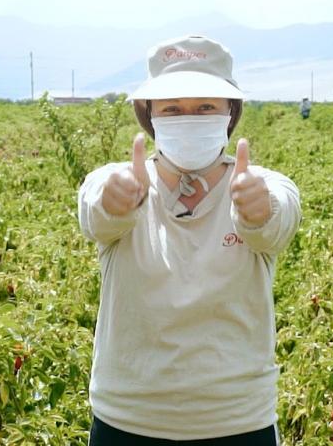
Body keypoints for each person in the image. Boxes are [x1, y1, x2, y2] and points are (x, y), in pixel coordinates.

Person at [78, 35, 301, 445]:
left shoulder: (264, 184)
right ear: (150, 116)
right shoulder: (115, 180)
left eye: (205, 107)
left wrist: (259, 208)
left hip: (236, 422)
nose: (189, 117)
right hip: (129, 420)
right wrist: (116, 201)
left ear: (229, 114)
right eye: (172, 109)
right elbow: (97, 213)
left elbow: (278, 219)